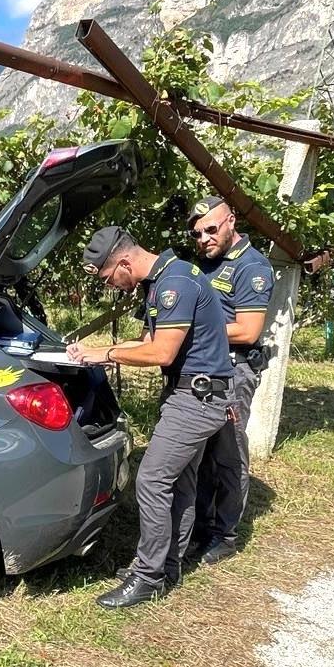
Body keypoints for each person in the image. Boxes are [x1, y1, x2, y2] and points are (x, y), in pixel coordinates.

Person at [69, 226, 234, 609]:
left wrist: (105, 354)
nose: (113, 285)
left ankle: (146, 576)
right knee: (180, 482)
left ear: (124, 261)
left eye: (110, 277)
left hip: (196, 398)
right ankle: (168, 565)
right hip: (193, 392)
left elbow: (160, 353)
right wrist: (91, 350)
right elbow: (146, 344)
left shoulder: (174, 283)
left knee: (153, 479)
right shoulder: (163, 279)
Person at [186, 196, 274, 566]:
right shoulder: (206, 265)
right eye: (197, 233)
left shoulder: (251, 267)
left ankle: (226, 533)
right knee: (202, 453)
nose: (204, 238)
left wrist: (191, 330)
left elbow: (249, 329)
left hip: (234, 372)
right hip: (204, 369)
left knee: (227, 452)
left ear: (230, 222)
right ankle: (202, 525)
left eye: (211, 228)